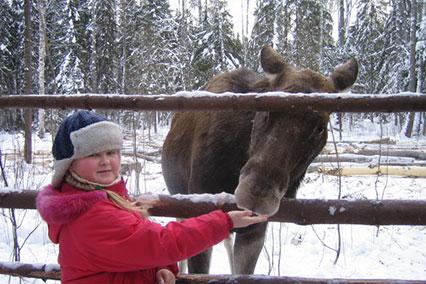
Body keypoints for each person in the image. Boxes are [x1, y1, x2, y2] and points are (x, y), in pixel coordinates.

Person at [36, 110, 267, 284]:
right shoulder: (92, 216)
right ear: (69, 166)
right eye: (93, 154)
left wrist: (161, 269)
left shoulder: (104, 199)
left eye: (111, 152)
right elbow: (161, 242)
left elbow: (131, 253)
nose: (105, 161)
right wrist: (225, 221)